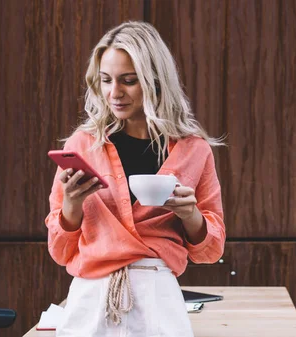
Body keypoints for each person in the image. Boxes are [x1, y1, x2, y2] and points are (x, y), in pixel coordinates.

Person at [44, 20, 226, 337]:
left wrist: (190, 214)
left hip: (159, 299)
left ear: (156, 81)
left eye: (129, 81)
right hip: (90, 299)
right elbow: (60, 252)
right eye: (105, 80)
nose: (115, 93)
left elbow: (211, 251)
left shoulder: (193, 151)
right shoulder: (82, 146)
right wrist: (71, 207)